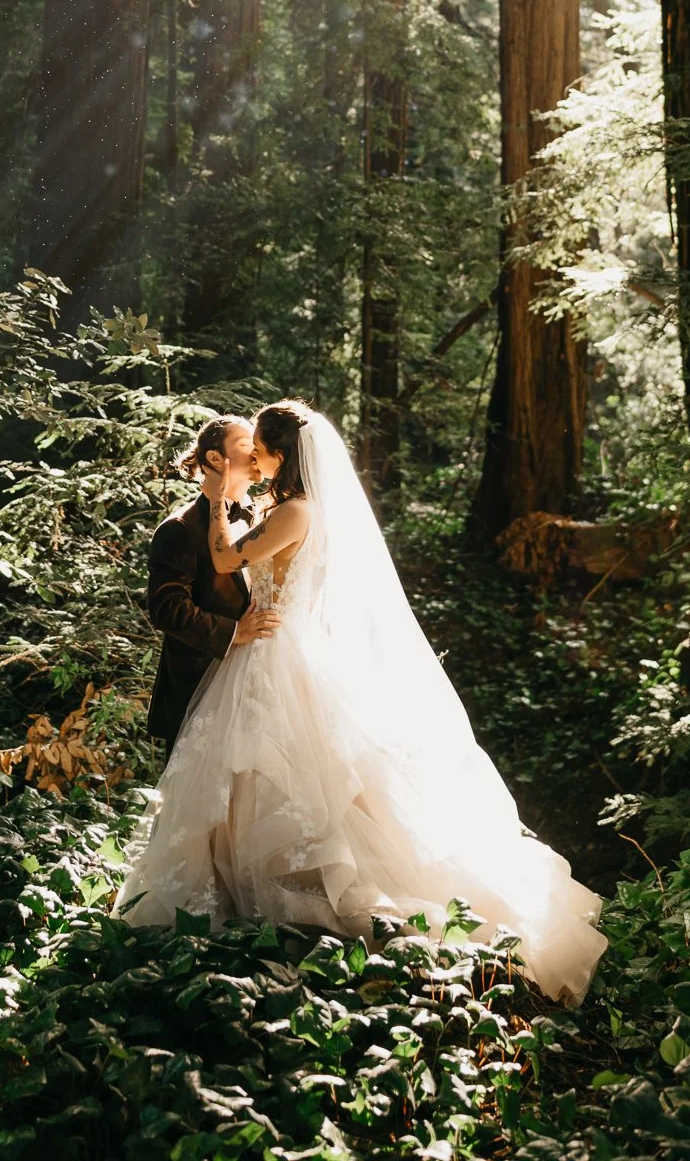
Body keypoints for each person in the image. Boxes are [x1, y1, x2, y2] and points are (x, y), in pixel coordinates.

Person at [119, 399, 607, 1006]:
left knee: (291, 779)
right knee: (239, 781)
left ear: (279, 454)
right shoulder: (259, 512)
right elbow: (178, 597)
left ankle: (285, 900)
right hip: (250, 658)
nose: (254, 461)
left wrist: (220, 503)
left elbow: (227, 559)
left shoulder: (291, 511)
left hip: (274, 658)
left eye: (259, 450)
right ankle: (234, 893)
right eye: (245, 453)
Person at [145, 414, 281, 750]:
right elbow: (167, 609)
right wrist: (236, 632)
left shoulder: (265, 518)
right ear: (215, 458)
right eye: (246, 444)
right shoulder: (180, 529)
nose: (255, 453)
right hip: (201, 689)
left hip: (260, 688)